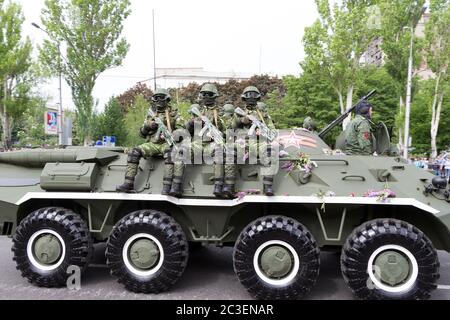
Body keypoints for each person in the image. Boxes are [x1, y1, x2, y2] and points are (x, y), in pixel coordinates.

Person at [116, 88, 185, 196]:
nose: (158, 100)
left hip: (167, 144)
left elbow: (182, 130)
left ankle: (167, 187)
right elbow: (142, 134)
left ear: (167, 99)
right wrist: (148, 126)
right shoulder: (151, 115)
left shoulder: (174, 114)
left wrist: (173, 134)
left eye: (161, 97)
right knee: (134, 152)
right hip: (152, 144)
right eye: (156, 97)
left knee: (171, 154)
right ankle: (128, 183)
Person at [232, 86, 276, 196]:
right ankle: (229, 186)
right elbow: (230, 128)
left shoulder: (263, 114)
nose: (251, 99)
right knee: (230, 153)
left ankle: (267, 186)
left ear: (257, 98)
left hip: (259, 142)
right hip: (243, 142)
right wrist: (241, 120)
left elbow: (273, 130)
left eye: (253, 97)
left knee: (270, 153)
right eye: (248, 96)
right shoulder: (239, 113)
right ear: (244, 98)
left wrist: (263, 132)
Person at [187, 83, 228, 198]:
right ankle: (176, 185)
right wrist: (193, 121)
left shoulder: (220, 112)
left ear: (214, 96)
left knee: (219, 152)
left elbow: (227, 132)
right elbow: (186, 131)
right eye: (204, 94)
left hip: (212, 144)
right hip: (197, 143)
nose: (206, 97)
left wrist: (217, 126)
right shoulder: (196, 111)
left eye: (209, 94)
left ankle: (218, 185)